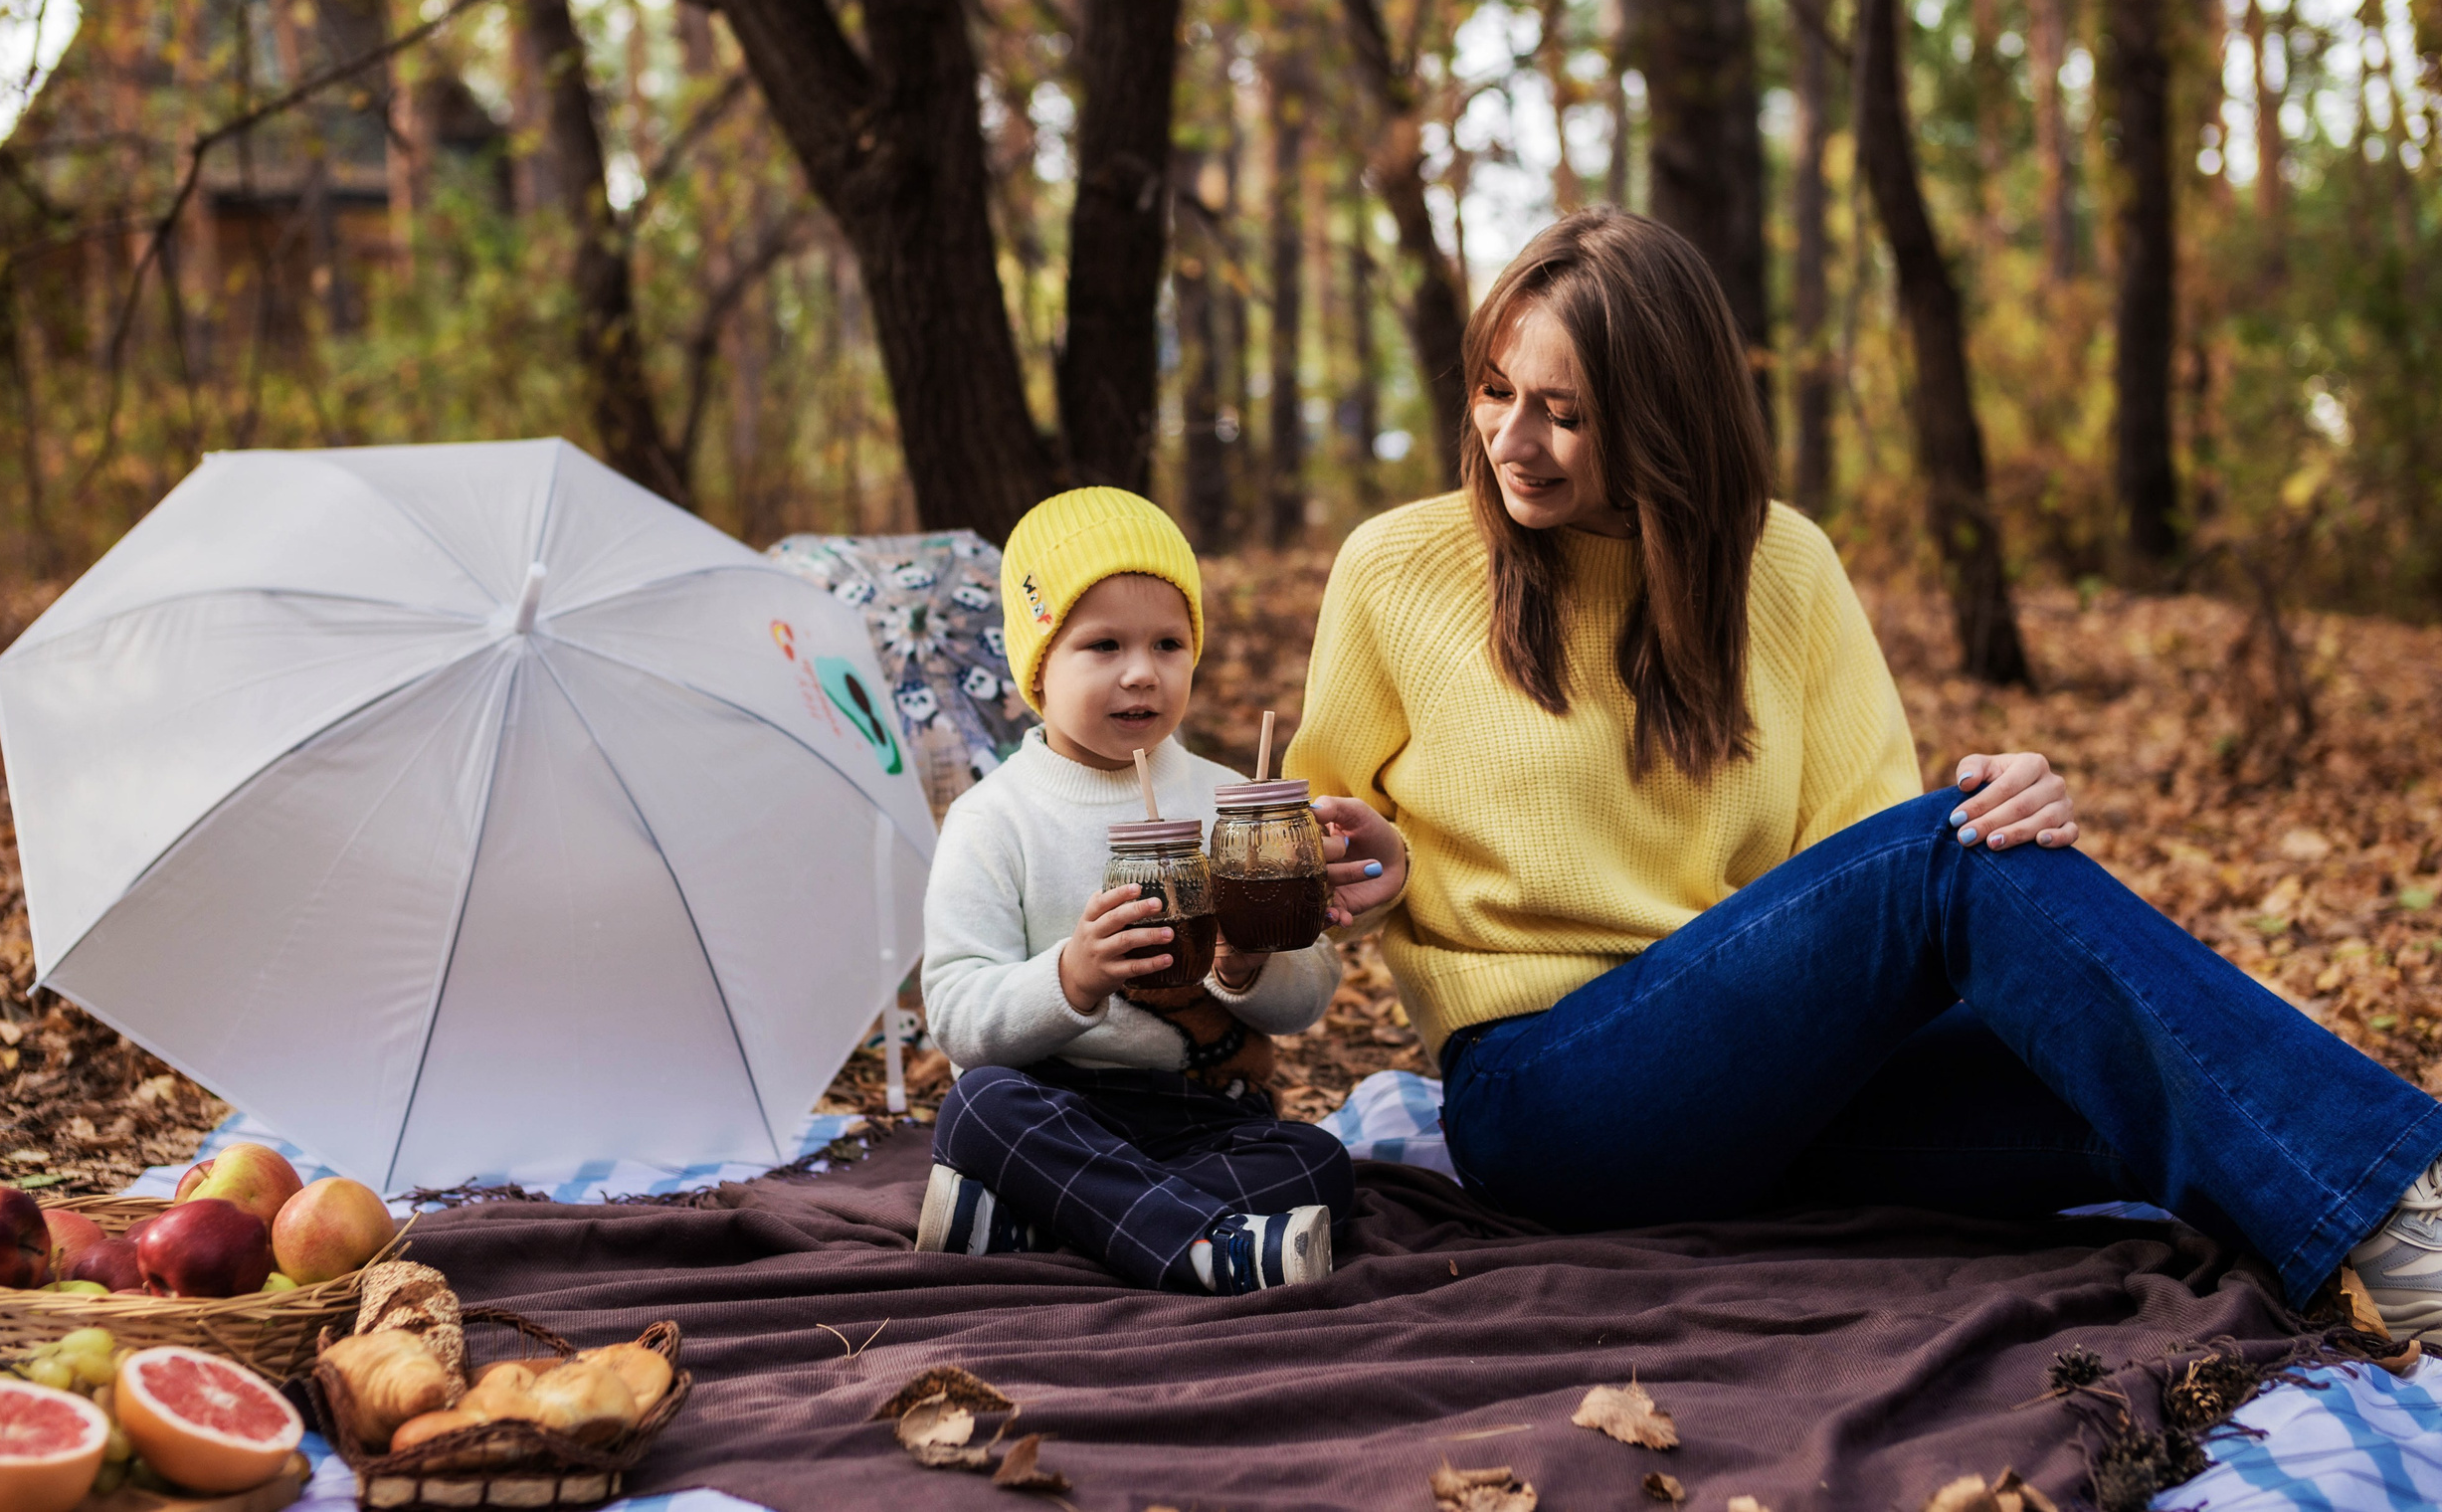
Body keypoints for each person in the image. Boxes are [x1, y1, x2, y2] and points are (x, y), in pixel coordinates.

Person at [1284, 207, 2442, 1338]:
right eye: (1495, 391)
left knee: (2152, 1066)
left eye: (1565, 412)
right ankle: (2399, 1218)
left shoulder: (1780, 564)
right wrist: (1362, 882)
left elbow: (1873, 860)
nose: (1511, 440)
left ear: (1660, 413)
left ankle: (2386, 1235)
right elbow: (1295, 878)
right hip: (1546, 1098)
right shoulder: (1399, 569)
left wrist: (2009, 811)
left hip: (1775, 1094)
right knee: (1970, 869)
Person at [916, 487, 1376, 1293]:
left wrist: (1244, 964)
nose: (1141, 672)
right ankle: (1207, 1248)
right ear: (1039, 663)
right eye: (1102, 645)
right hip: (1058, 1105)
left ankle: (1047, 1222)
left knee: (1323, 1164)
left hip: (1203, 1113)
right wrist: (1073, 974)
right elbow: (958, 1016)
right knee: (979, 1107)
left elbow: (1307, 999)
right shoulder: (994, 817)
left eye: (1169, 642)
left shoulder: (1231, 804)